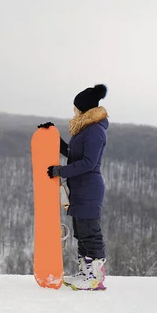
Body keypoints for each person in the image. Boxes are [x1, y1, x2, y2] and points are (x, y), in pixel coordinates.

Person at [46, 84, 109, 290]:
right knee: (81, 232)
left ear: (83, 108)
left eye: (75, 107)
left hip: (89, 188)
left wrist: (60, 171)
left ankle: (96, 277)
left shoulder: (95, 131)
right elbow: (73, 154)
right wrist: (53, 137)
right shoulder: (85, 129)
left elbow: (89, 163)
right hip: (80, 189)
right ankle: (85, 271)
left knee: (90, 232)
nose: (74, 110)